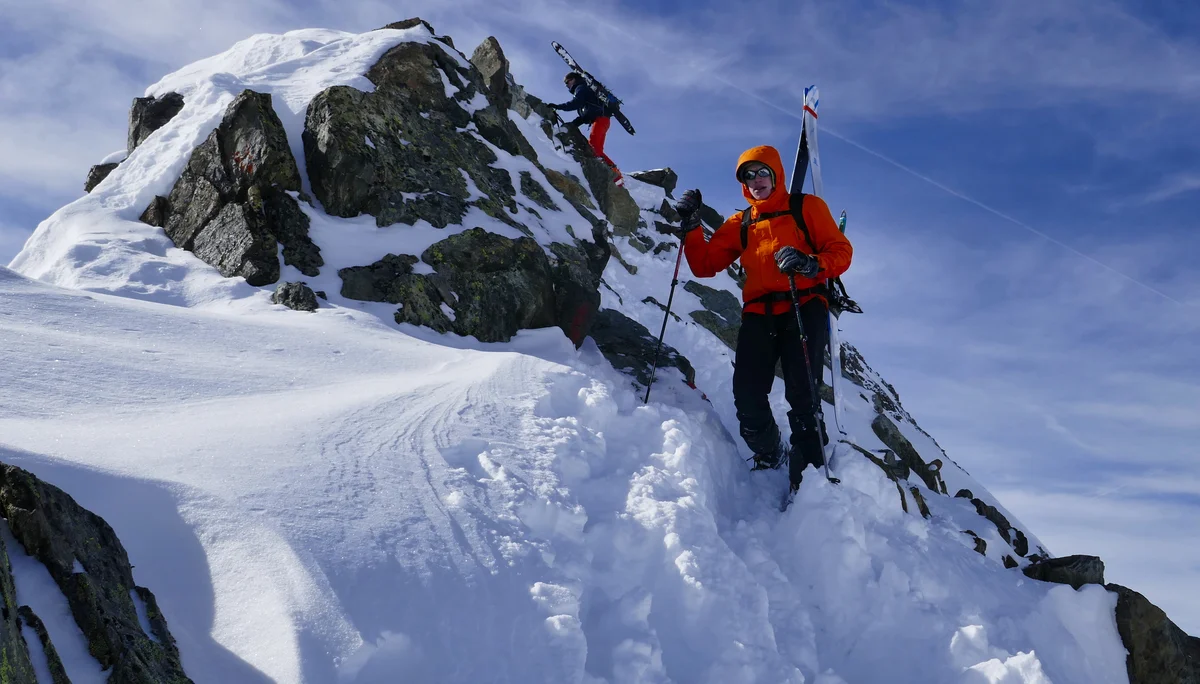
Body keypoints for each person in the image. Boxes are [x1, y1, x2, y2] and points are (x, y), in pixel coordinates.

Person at [672, 145, 853, 491]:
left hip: (805, 304)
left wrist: (811, 263)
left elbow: (841, 250)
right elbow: (704, 265)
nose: (756, 181)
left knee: (804, 396)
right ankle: (771, 452)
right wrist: (693, 225)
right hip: (759, 312)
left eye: (762, 173)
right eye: (748, 176)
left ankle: (809, 480)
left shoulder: (807, 208)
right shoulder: (740, 223)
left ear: (776, 174)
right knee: (747, 394)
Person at [547, 72, 622, 184]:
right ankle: (615, 174)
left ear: (573, 79)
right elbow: (586, 116)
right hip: (603, 120)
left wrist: (559, 107)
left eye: (567, 82)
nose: (566, 85)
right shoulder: (585, 90)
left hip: (600, 120)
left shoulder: (581, 88)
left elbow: (575, 103)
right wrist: (572, 125)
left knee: (593, 148)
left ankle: (614, 174)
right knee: (596, 149)